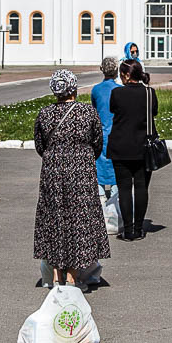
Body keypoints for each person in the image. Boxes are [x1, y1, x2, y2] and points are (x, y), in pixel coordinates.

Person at [32, 69, 110, 288]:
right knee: (79, 219)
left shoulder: (45, 113)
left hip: (53, 171)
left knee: (56, 218)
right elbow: (97, 143)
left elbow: (40, 145)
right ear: (74, 88)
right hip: (82, 171)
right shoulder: (87, 113)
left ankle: (57, 275)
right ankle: (73, 276)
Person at [106, 58, 159, 241]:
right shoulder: (149, 93)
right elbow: (154, 112)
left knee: (124, 189)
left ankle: (128, 231)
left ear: (127, 75)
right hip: (143, 147)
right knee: (142, 188)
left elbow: (113, 110)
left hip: (120, 146)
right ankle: (139, 229)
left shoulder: (117, 93)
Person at [91, 57, 120, 195]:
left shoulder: (96, 90)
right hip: (117, 133)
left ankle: (101, 196)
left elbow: (95, 110)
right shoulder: (120, 90)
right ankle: (115, 197)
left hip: (101, 132)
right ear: (116, 71)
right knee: (116, 167)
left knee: (100, 166)